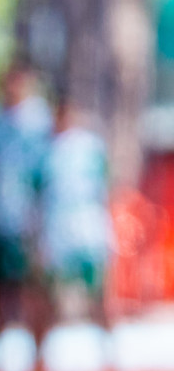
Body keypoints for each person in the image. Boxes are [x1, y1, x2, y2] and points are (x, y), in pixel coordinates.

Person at [0, 63, 53, 371]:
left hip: (31, 223)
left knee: (34, 294)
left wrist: (40, 223)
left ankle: (38, 364)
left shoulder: (39, 124)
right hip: (0, 221)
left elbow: (46, 177)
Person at [42, 101, 113, 357]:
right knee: (49, 301)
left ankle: (110, 364)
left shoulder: (70, 149)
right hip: (69, 232)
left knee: (97, 300)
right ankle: (42, 368)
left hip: (80, 231)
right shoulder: (57, 149)